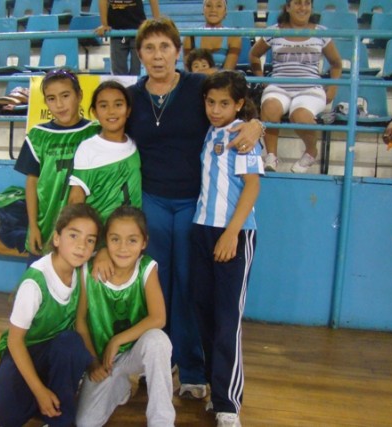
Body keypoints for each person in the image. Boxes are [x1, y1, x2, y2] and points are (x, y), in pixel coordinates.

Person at [94, 17, 265, 401]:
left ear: (178, 51)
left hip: (193, 205)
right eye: (149, 48)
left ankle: (191, 371)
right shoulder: (132, 95)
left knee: (189, 289)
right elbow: (104, 125)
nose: (157, 56)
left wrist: (257, 123)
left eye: (165, 47)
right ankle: (156, 364)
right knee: (154, 287)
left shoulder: (196, 87)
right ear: (139, 54)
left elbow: (236, 102)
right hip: (149, 202)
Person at [192, 71, 264, 427]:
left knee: (226, 321)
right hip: (202, 230)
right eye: (210, 102)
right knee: (204, 314)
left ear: (238, 104)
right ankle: (212, 386)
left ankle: (228, 404)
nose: (216, 109)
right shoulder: (208, 132)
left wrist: (232, 233)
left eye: (224, 103)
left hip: (234, 234)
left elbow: (252, 188)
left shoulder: (243, 133)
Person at [0, 203, 102, 427]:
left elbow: (80, 322)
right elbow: (15, 341)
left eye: (90, 240)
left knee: (71, 343)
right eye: (74, 235)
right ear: (57, 238)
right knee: (7, 418)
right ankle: (43, 396)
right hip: (24, 350)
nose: (81, 246)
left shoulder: (81, 271)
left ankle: (61, 419)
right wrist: (40, 391)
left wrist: (93, 363)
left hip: (57, 352)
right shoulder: (35, 281)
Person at [75, 206, 175, 427]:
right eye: (115, 239)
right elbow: (80, 321)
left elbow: (159, 318)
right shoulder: (88, 271)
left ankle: (162, 421)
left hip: (134, 353)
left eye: (132, 240)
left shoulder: (146, 268)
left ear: (144, 242)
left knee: (158, 341)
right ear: (105, 241)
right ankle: (119, 385)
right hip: (104, 361)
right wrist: (93, 361)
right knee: (85, 423)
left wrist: (117, 340)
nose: (123, 248)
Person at [14, 68, 101, 265]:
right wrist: (33, 226)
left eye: (65, 95)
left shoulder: (95, 132)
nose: (59, 104)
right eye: (51, 98)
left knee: (77, 288)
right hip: (46, 224)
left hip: (82, 228)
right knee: (41, 285)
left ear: (79, 95)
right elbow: (32, 183)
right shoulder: (37, 135)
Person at [249, 0, 342, 173]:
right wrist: (261, 79)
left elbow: (336, 63)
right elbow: (254, 55)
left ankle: (311, 151)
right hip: (278, 86)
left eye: (307, 3)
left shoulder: (321, 32)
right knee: (269, 107)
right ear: (288, 7)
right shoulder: (274, 31)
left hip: (310, 88)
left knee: (299, 115)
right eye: (298, 3)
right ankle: (271, 157)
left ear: (311, 8)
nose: (303, 7)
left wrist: (333, 88)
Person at [68, 80, 141, 222]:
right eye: (103, 106)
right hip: (100, 235)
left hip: (130, 233)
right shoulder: (88, 148)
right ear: (95, 112)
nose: (111, 111)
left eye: (118, 105)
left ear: (128, 110)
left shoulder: (134, 145)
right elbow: (76, 199)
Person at [95, 0, 160, 75]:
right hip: (117, 31)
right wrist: (104, 24)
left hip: (137, 29)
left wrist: (157, 22)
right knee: (119, 73)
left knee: (136, 71)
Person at [182, 0, 241, 71]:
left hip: (222, 81)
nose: (213, 10)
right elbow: (189, 72)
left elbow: (227, 72)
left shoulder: (233, 36)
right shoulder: (190, 37)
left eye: (219, 6)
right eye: (209, 5)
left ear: (225, 11)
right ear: (203, 10)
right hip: (197, 81)